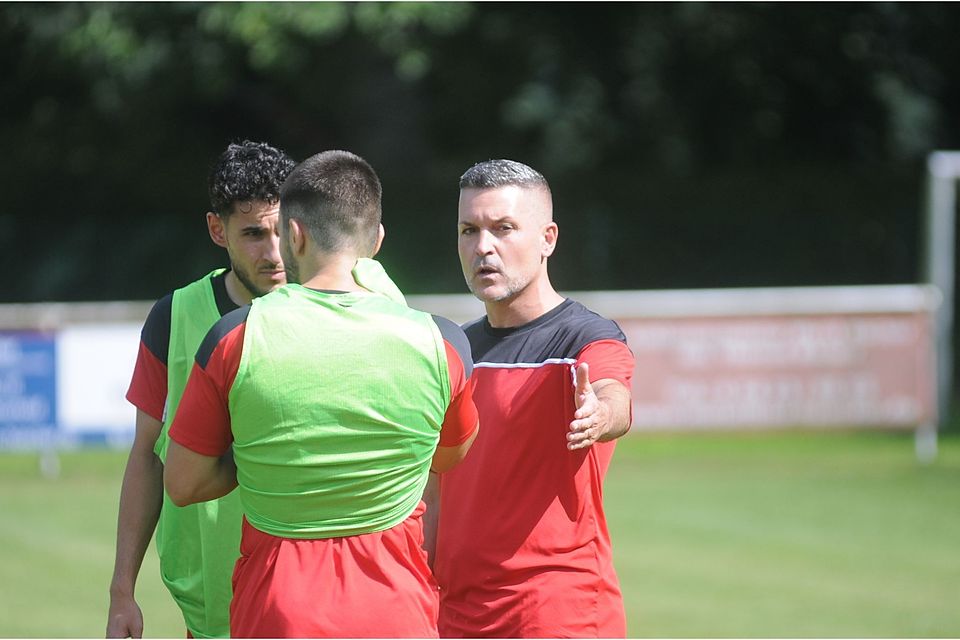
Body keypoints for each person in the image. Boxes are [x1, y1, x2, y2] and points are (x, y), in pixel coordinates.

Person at [162, 149, 480, 638]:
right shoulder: (444, 343)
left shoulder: (235, 337)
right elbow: (449, 454)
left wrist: (263, 456)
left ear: (294, 234)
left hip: (278, 611)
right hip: (396, 609)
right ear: (377, 240)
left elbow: (183, 483)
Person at [428, 159, 635, 638]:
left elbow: (613, 393)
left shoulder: (585, 338)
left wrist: (600, 412)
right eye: (469, 230)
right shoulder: (454, 350)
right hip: (453, 615)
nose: (483, 246)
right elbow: (435, 488)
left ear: (548, 239)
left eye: (503, 229)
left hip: (554, 613)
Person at [106, 140, 296, 639]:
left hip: (302, 601)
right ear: (217, 229)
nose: (273, 253)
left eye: (282, 230)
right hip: (209, 607)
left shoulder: (332, 309)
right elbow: (147, 456)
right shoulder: (173, 318)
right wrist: (122, 590)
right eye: (253, 234)